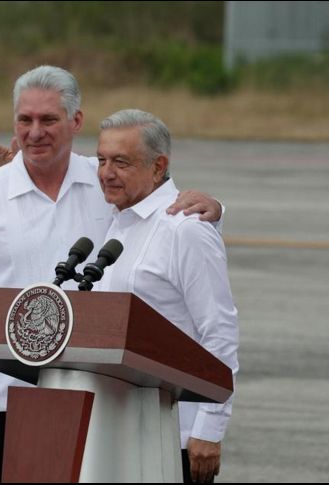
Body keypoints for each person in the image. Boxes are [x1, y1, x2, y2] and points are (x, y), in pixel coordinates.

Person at [0, 66, 223, 483]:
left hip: (97, 404)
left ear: (76, 122)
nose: (35, 132)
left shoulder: (106, 182)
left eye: (48, 119)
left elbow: (165, 222)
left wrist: (215, 210)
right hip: (2, 402)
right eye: (25, 120)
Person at [94, 109, 239, 483]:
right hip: (115, 429)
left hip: (175, 433)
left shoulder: (185, 229)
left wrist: (209, 428)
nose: (106, 173)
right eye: (101, 160)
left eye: (121, 162)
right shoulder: (116, 222)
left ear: (158, 166)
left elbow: (219, 331)